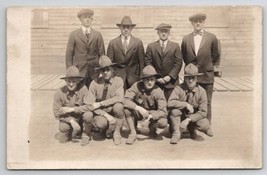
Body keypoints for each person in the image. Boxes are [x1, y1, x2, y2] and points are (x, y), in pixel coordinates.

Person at [61, 55, 125, 146]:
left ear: (112, 69)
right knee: (97, 121)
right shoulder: (94, 83)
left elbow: (119, 98)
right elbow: (89, 104)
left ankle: (117, 132)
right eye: (103, 70)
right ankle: (87, 133)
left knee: (119, 106)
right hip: (100, 112)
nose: (105, 72)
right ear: (100, 71)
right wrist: (104, 114)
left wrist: (100, 103)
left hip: (112, 110)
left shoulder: (118, 81)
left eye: (108, 69)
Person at [181, 13, 220, 127]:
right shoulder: (186, 39)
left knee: (207, 102)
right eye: (195, 21)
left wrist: (207, 65)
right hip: (191, 76)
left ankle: (207, 126)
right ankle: (190, 126)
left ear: (203, 23)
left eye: (200, 21)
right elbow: (184, 55)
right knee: (190, 101)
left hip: (206, 75)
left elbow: (215, 54)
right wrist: (191, 69)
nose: (198, 23)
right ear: (192, 23)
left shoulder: (211, 37)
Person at [168, 63, 213, 144]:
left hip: (193, 118)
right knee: (174, 111)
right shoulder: (179, 88)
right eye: (188, 78)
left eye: (193, 78)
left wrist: (188, 120)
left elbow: (203, 112)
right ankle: (176, 134)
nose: (191, 80)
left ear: (197, 78)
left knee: (205, 125)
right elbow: (170, 103)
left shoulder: (202, 91)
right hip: (180, 116)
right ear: (185, 78)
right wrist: (185, 105)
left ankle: (191, 129)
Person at [123, 65, 168, 145]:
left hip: (152, 114)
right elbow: (125, 100)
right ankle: (133, 132)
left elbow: (163, 111)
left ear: (155, 80)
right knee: (127, 110)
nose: (150, 82)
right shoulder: (136, 86)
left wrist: (151, 116)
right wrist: (138, 108)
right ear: (143, 80)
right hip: (139, 112)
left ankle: (152, 128)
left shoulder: (158, 91)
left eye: (152, 79)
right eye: (147, 79)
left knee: (163, 122)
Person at [65, 9, 105, 88]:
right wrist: (70, 72)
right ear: (80, 19)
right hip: (79, 71)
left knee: (93, 92)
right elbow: (69, 55)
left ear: (92, 19)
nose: (87, 19)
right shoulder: (74, 35)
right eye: (85, 17)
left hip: (94, 72)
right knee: (79, 93)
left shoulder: (97, 35)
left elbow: (102, 55)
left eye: (89, 17)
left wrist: (102, 71)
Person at [145, 23, 183, 100]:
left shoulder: (175, 46)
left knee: (171, 104)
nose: (163, 33)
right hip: (156, 82)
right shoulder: (151, 46)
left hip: (171, 83)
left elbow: (178, 63)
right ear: (157, 33)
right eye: (161, 31)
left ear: (169, 33)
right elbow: (148, 62)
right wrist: (155, 77)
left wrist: (170, 76)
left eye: (166, 31)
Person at [107, 16, 145, 89]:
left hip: (134, 78)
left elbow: (141, 62)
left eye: (128, 27)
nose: (126, 30)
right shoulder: (113, 43)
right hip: (118, 77)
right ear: (120, 28)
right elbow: (109, 64)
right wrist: (112, 77)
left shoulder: (137, 42)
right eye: (124, 27)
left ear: (131, 29)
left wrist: (141, 78)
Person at [53, 66, 88, 143]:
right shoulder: (59, 92)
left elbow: (89, 106)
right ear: (65, 81)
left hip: (81, 116)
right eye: (69, 81)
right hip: (70, 118)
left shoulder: (83, 89)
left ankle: (86, 132)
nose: (71, 84)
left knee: (88, 115)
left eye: (74, 81)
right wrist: (71, 121)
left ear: (78, 81)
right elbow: (56, 112)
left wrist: (72, 109)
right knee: (63, 127)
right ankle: (68, 132)